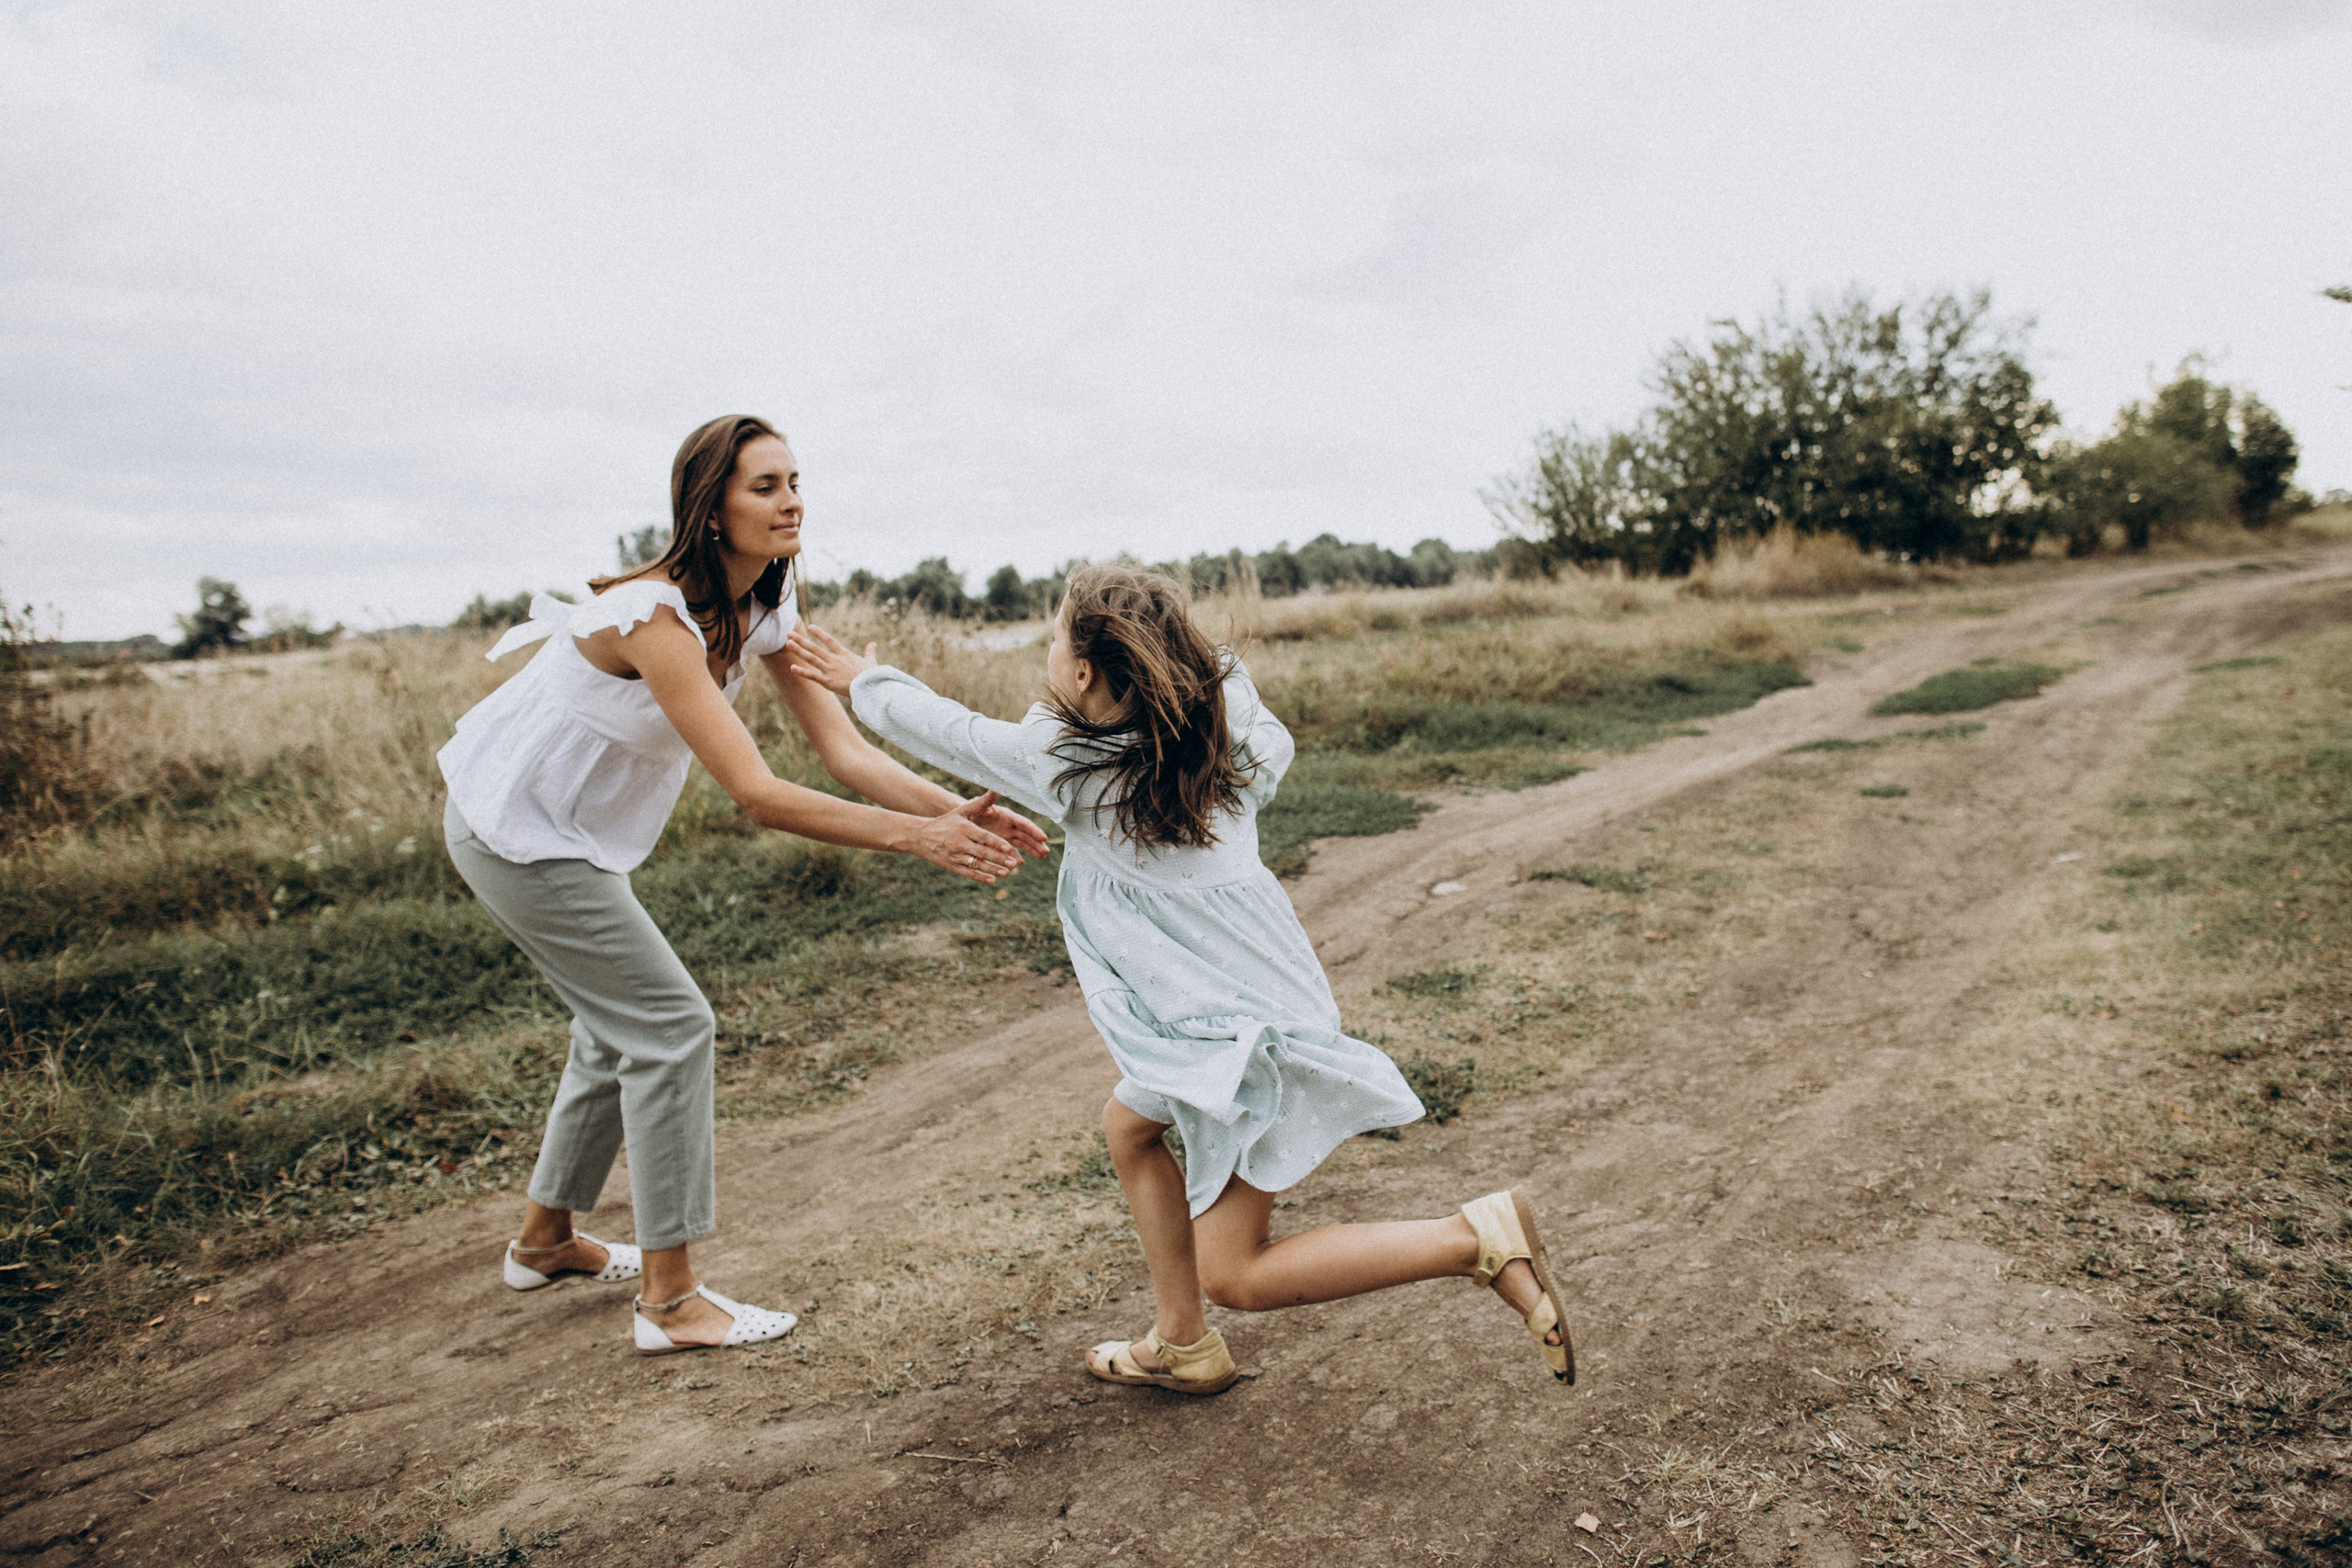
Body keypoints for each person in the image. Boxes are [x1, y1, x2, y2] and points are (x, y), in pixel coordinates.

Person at [786, 563, 1571, 1393]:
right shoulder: (1225, 732)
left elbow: (953, 731)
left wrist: (862, 680)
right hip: (1250, 1002)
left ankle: (1470, 1238)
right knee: (1129, 1127)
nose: (1048, 651)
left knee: (1238, 1273)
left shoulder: (1070, 766)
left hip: (1228, 1035)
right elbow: (1251, 720)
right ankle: (1182, 1341)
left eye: (1054, 638)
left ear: (1081, 673)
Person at [437, 415, 1049, 1355]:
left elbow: (843, 752)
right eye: (765, 486)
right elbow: (758, 794)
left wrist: (954, 812)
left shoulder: (765, 604)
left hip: (573, 834)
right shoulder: (651, 616)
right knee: (670, 1026)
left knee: (617, 1024)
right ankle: (671, 1303)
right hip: (511, 828)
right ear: (711, 508)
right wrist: (918, 839)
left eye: (795, 481)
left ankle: (545, 1241)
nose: (792, 501)